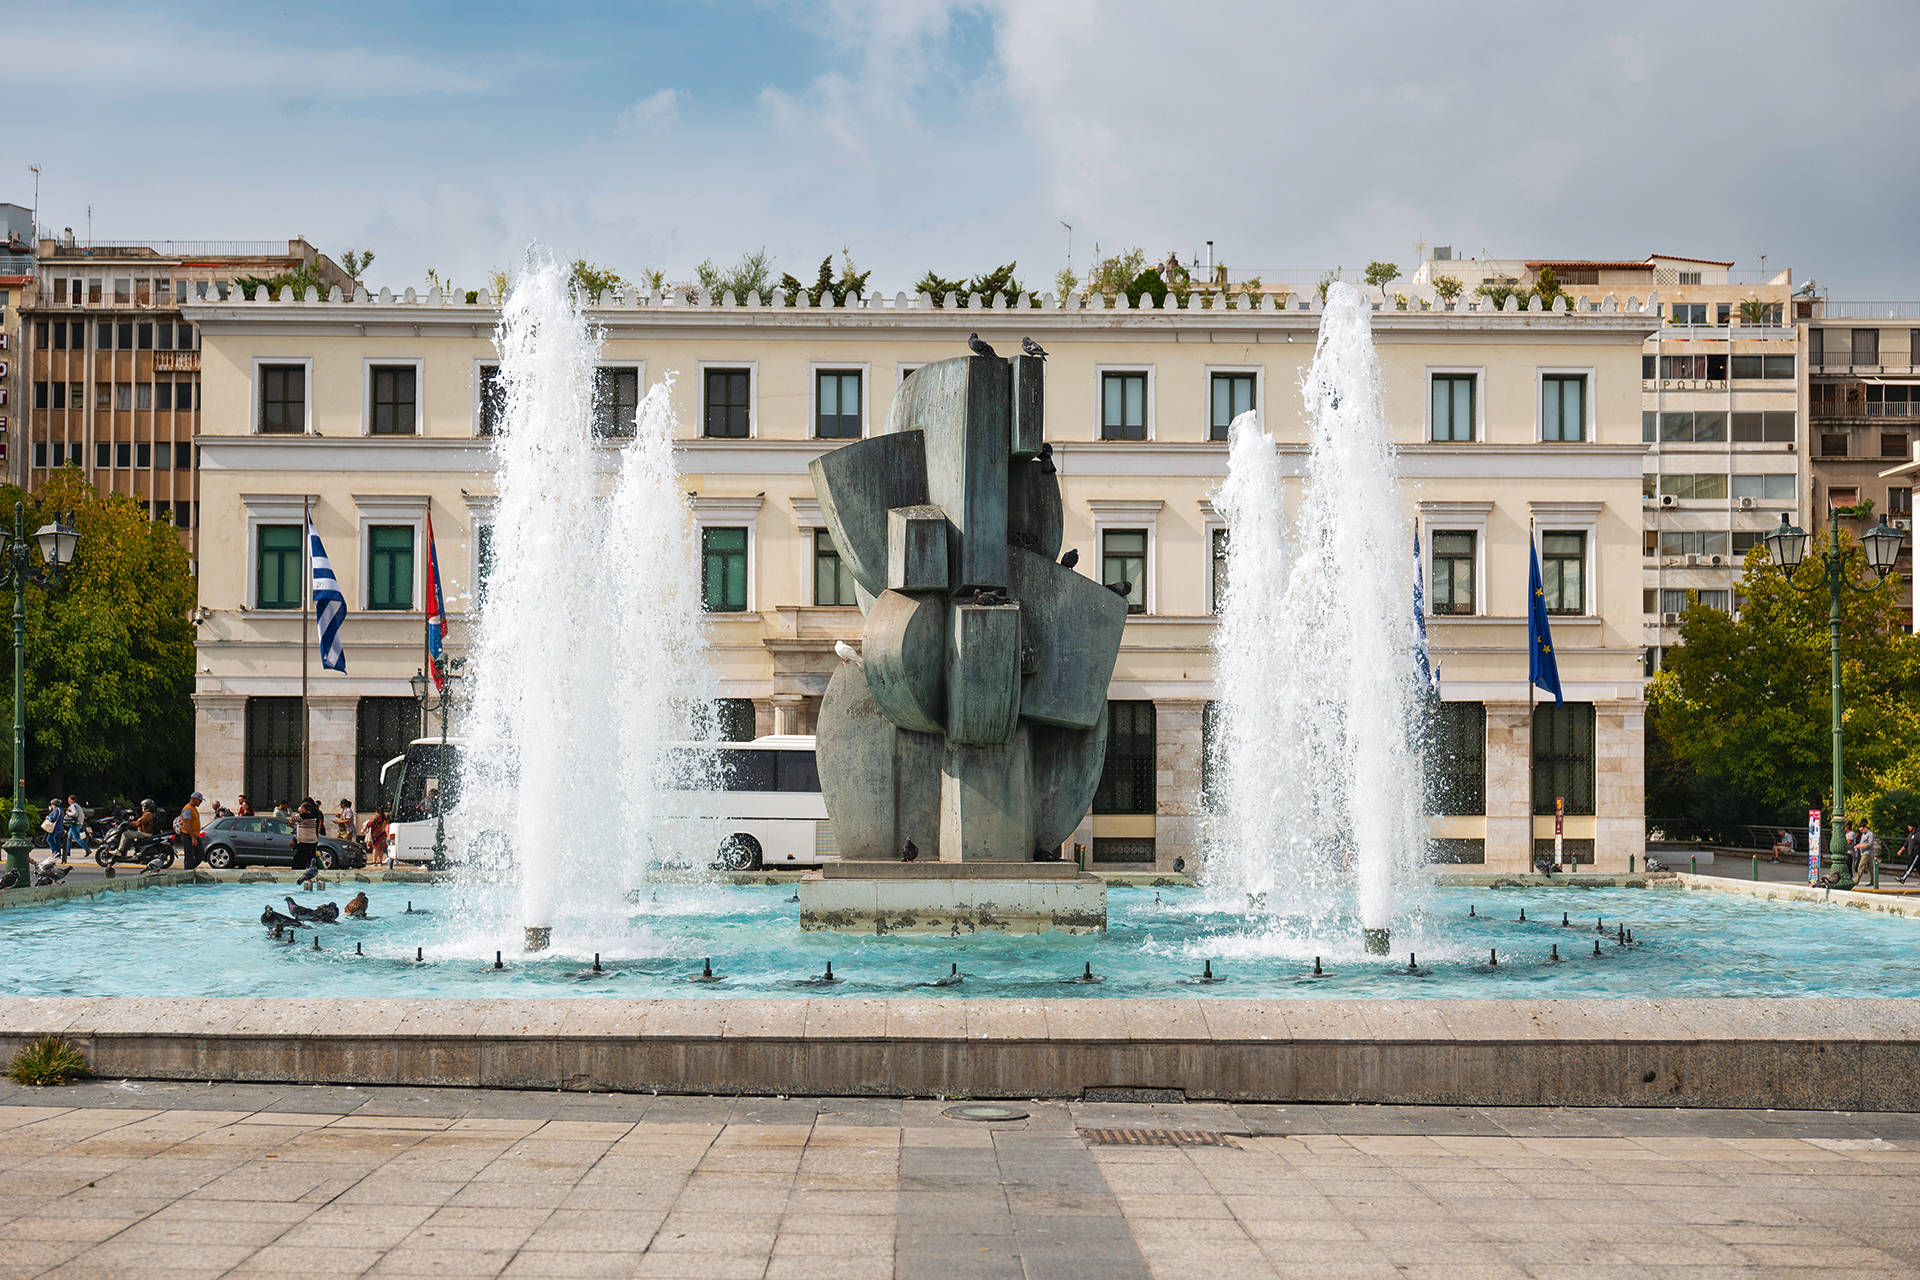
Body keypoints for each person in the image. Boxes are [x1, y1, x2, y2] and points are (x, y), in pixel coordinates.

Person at [293, 798, 322, 886]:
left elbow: (293, 818)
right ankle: (313, 877)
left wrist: (299, 812)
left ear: (304, 809)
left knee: (299, 860)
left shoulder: (302, 816)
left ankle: (298, 878)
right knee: (311, 859)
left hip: (304, 841)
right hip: (313, 841)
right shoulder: (314, 816)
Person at [179, 792, 204, 870]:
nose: (200, 802)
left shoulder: (194, 809)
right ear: (193, 799)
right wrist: (193, 838)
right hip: (188, 835)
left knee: (200, 855)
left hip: (195, 835)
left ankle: (190, 869)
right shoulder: (187, 809)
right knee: (189, 856)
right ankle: (188, 871)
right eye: (199, 800)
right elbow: (187, 825)